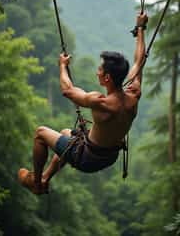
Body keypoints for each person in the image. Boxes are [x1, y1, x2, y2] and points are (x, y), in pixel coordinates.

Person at [18, 13, 148, 194]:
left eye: (100, 70)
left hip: (87, 158)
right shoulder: (134, 94)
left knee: (40, 133)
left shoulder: (101, 102)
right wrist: (141, 28)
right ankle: (46, 177)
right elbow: (140, 61)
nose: (97, 73)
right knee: (64, 134)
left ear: (107, 78)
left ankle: (37, 182)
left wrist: (62, 66)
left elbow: (67, 90)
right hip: (109, 156)